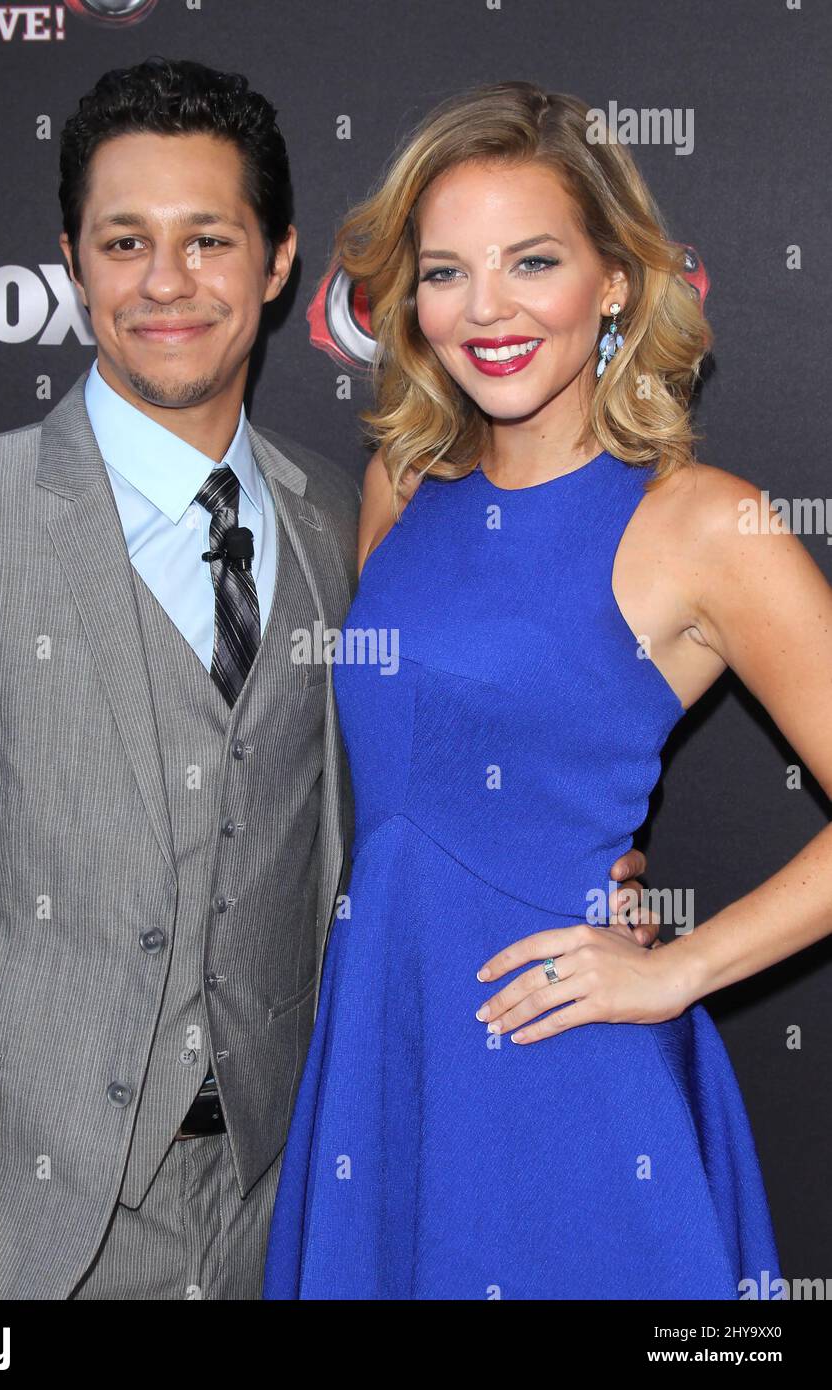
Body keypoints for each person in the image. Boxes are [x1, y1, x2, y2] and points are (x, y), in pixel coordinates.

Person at [0, 60, 656, 1301]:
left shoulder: (347, 518)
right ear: (73, 262)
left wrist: (562, 862)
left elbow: (403, 784)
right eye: (125, 241)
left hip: (284, 1212)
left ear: (278, 262)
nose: (165, 282)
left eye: (207, 239)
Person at [263, 80, 831, 1300]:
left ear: (616, 279)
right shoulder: (402, 486)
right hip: (387, 1053)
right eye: (446, 271)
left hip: (568, 1073)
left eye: (532, 261)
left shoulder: (706, 523)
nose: (489, 309)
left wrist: (677, 967)